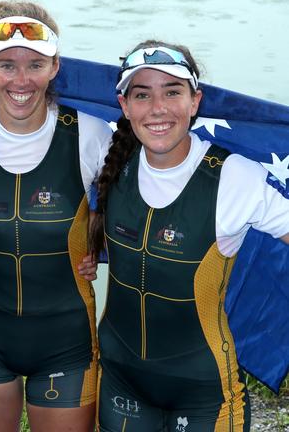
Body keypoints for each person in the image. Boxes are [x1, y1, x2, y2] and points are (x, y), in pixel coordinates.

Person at [88, 40, 289, 432]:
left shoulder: (233, 176)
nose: (158, 108)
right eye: (142, 95)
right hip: (120, 381)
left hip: (204, 392)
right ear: (125, 106)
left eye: (173, 92)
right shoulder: (110, 160)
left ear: (195, 101)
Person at [0, 0, 112, 432]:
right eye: (6, 64)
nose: (21, 79)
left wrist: (94, 247)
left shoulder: (90, 134)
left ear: (54, 67)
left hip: (67, 338)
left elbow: (124, 212)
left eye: (35, 64)